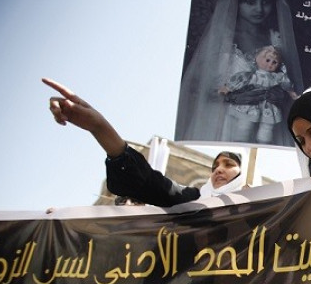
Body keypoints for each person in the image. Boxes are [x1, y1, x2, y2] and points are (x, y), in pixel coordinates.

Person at [43, 78, 245, 207]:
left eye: (228, 165)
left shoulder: (261, 205)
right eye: (215, 165)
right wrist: (99, 127)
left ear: (242, 174)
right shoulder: (193, 199)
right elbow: (147, 182)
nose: (218, 170)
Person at [175, 0, 302, 145]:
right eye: (250, 2)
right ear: (238, 1)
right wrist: (231, 97)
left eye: (265, 2)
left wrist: (279, 94)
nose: (259, 9)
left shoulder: (276, 39)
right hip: (221, 122)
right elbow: (196, 87)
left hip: (266, 122)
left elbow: (285, 80)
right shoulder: (222, 37)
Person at [220, 45, 299, 144]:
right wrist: (227, 88)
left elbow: (286, 84)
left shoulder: (277, 77)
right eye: (267, 60)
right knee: (245, 123)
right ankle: (240, 141)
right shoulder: (251, 75)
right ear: (258, 59)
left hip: (268, 105)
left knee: (267, 126)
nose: (270, 64)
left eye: (274, 62)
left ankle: (264, 142)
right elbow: (239, 80)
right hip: (252, 103)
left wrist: (292, 93)